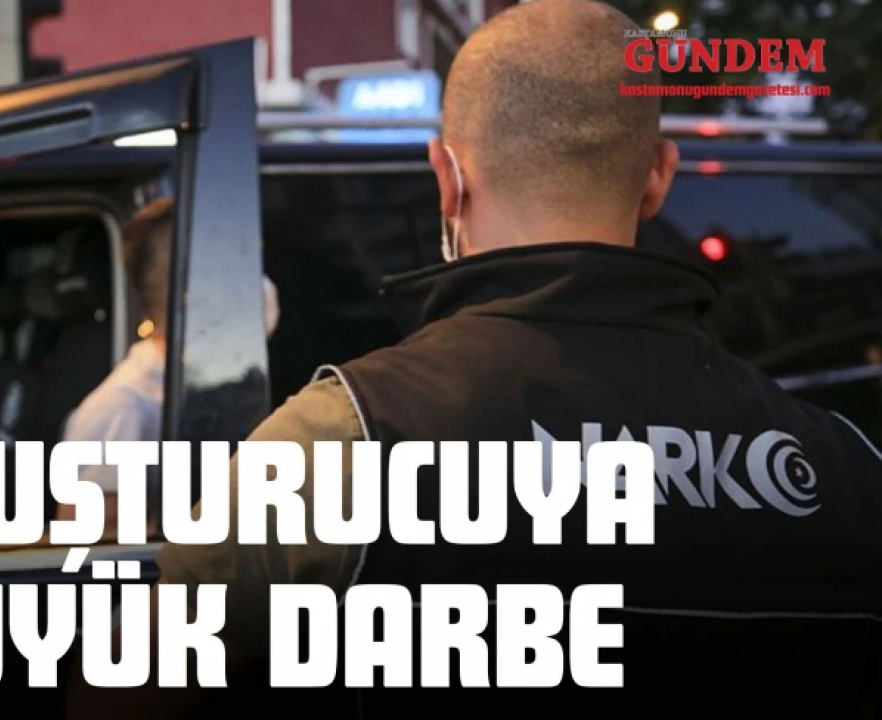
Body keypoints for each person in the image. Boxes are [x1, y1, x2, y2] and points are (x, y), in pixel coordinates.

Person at [68, 1, 882, 716]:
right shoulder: (846, 467)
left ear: (447, 178)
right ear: (658, 179)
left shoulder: (343, 441)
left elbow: (121, 691)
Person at [56, 197, 280, 527]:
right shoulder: (122, 409)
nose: (257, 286)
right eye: (236, 269)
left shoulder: (211, 386)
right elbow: (87, 544)